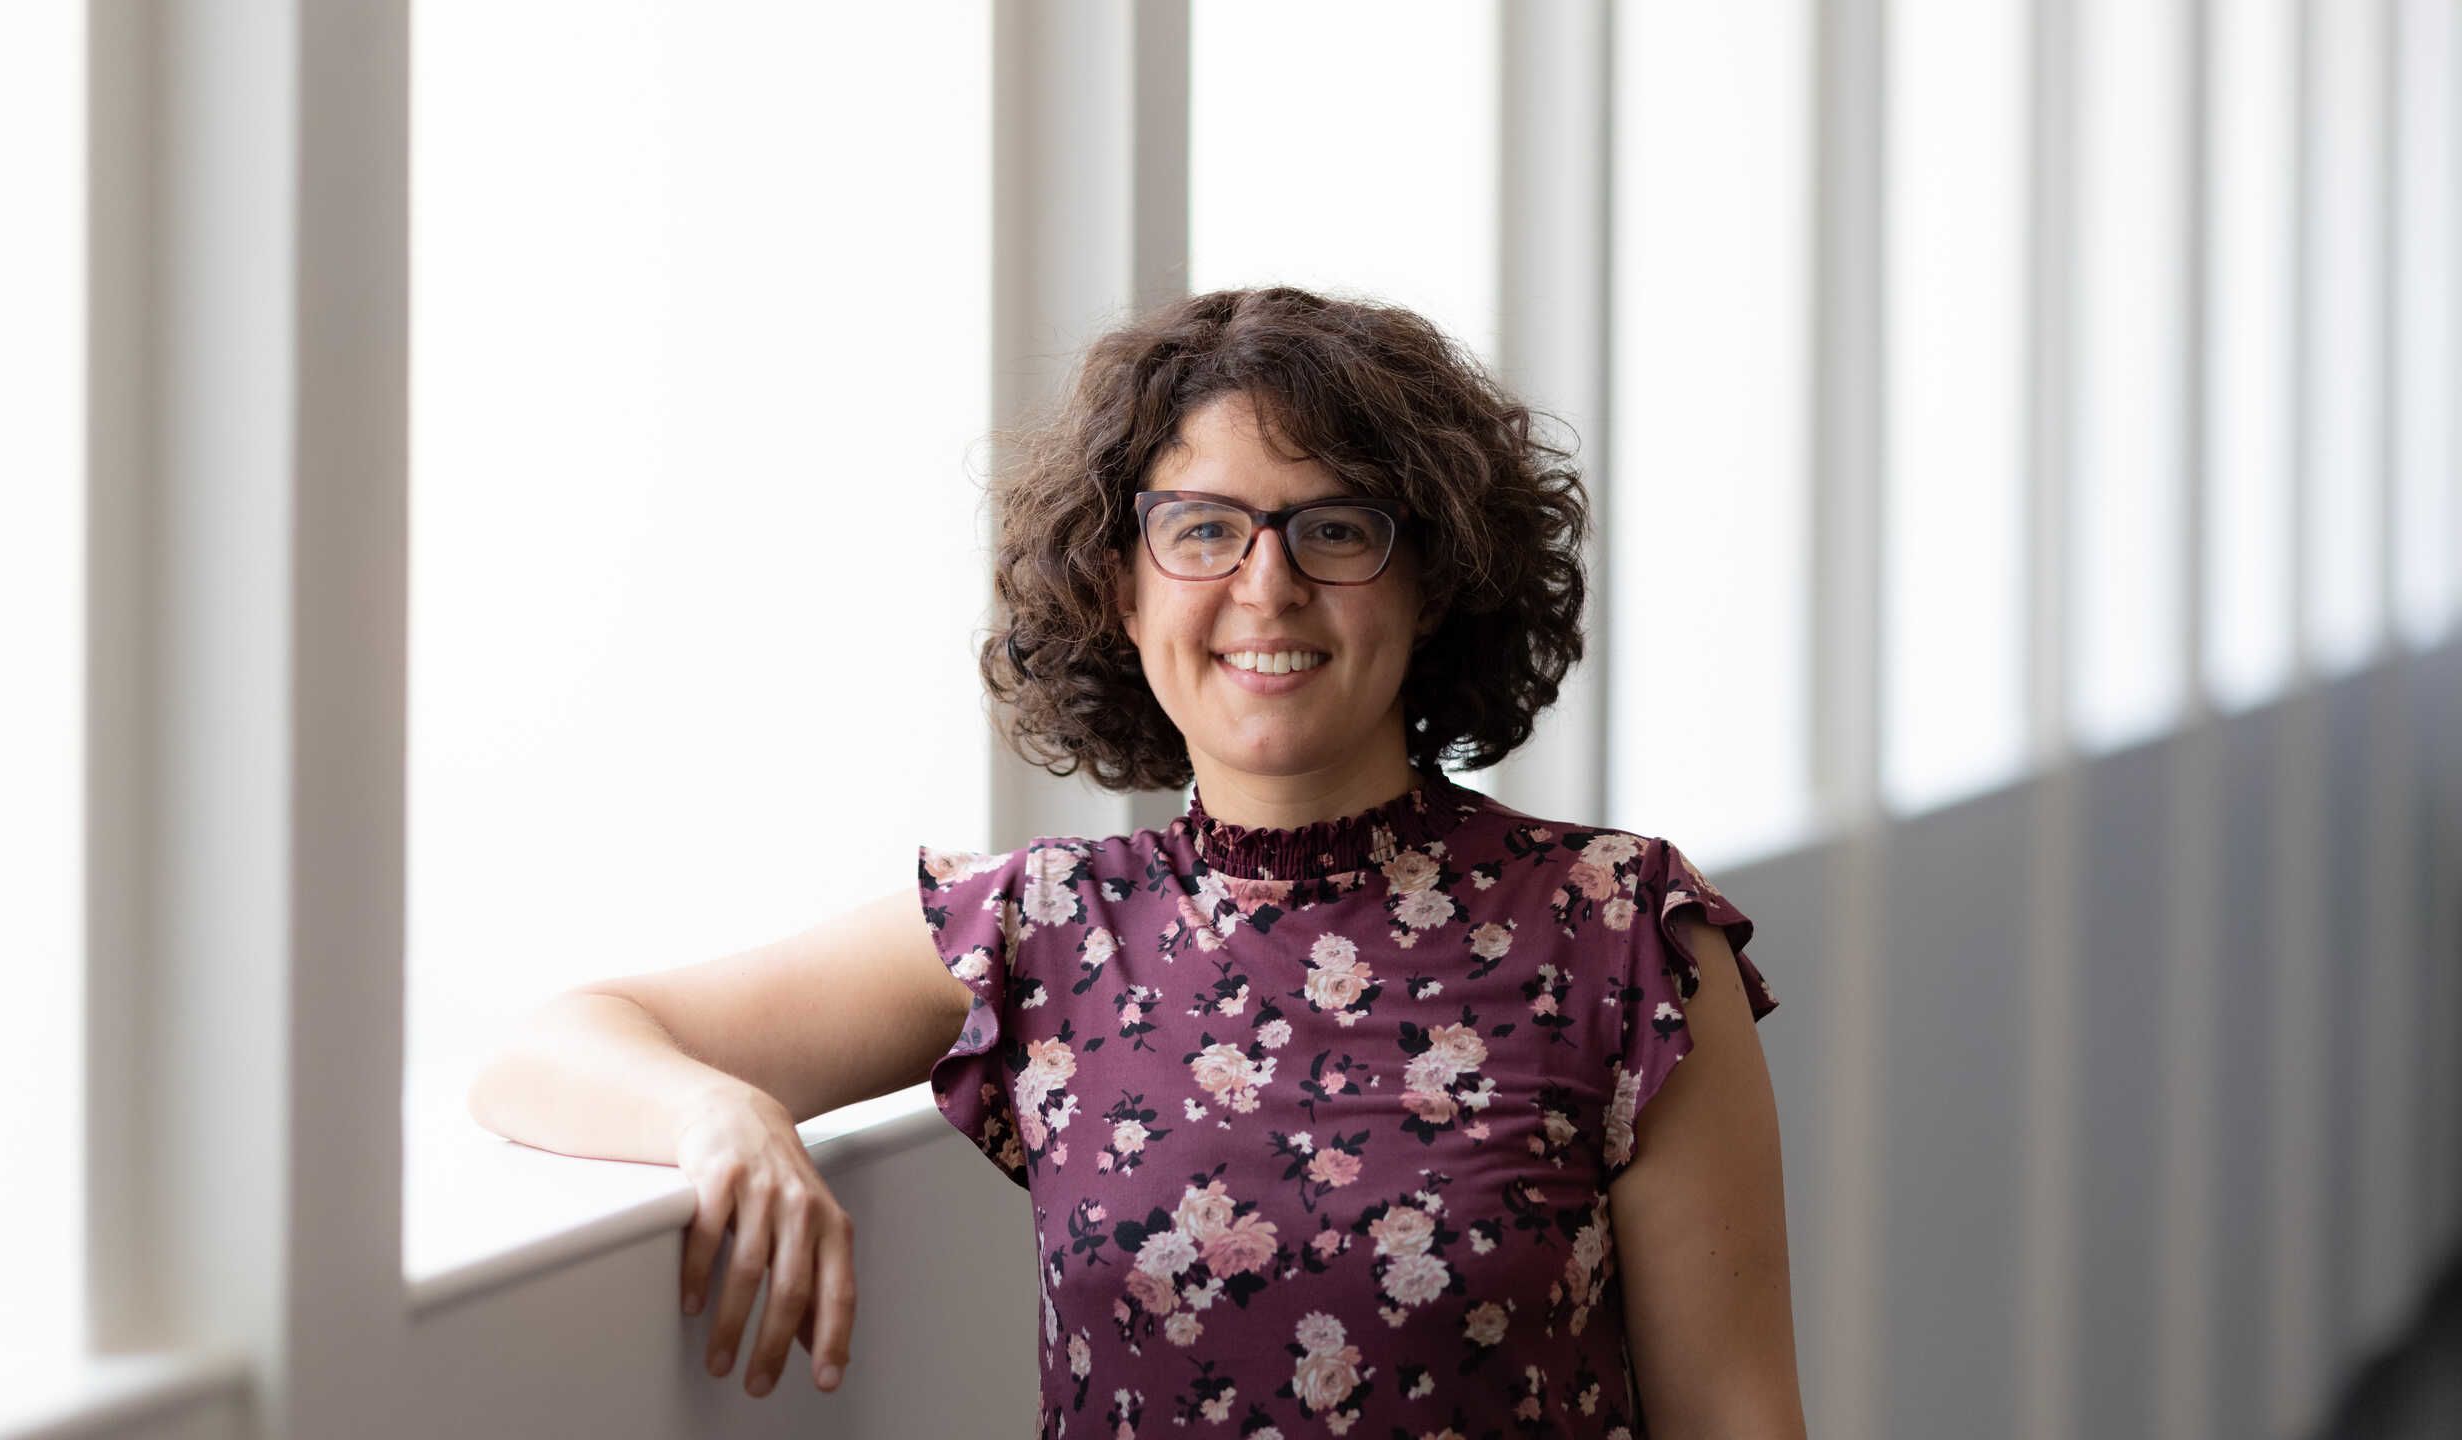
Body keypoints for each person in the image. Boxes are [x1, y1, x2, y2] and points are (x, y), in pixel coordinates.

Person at [469, 285, 1802, 1437]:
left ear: (1433, 580)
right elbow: (544, 1051)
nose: (1266, 586)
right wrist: (721, 1117)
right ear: (1122, 585)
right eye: (1204, 530)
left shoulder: (1623, 937)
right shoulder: (1042, 931)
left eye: (1336, 529)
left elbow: (1739, 1419)